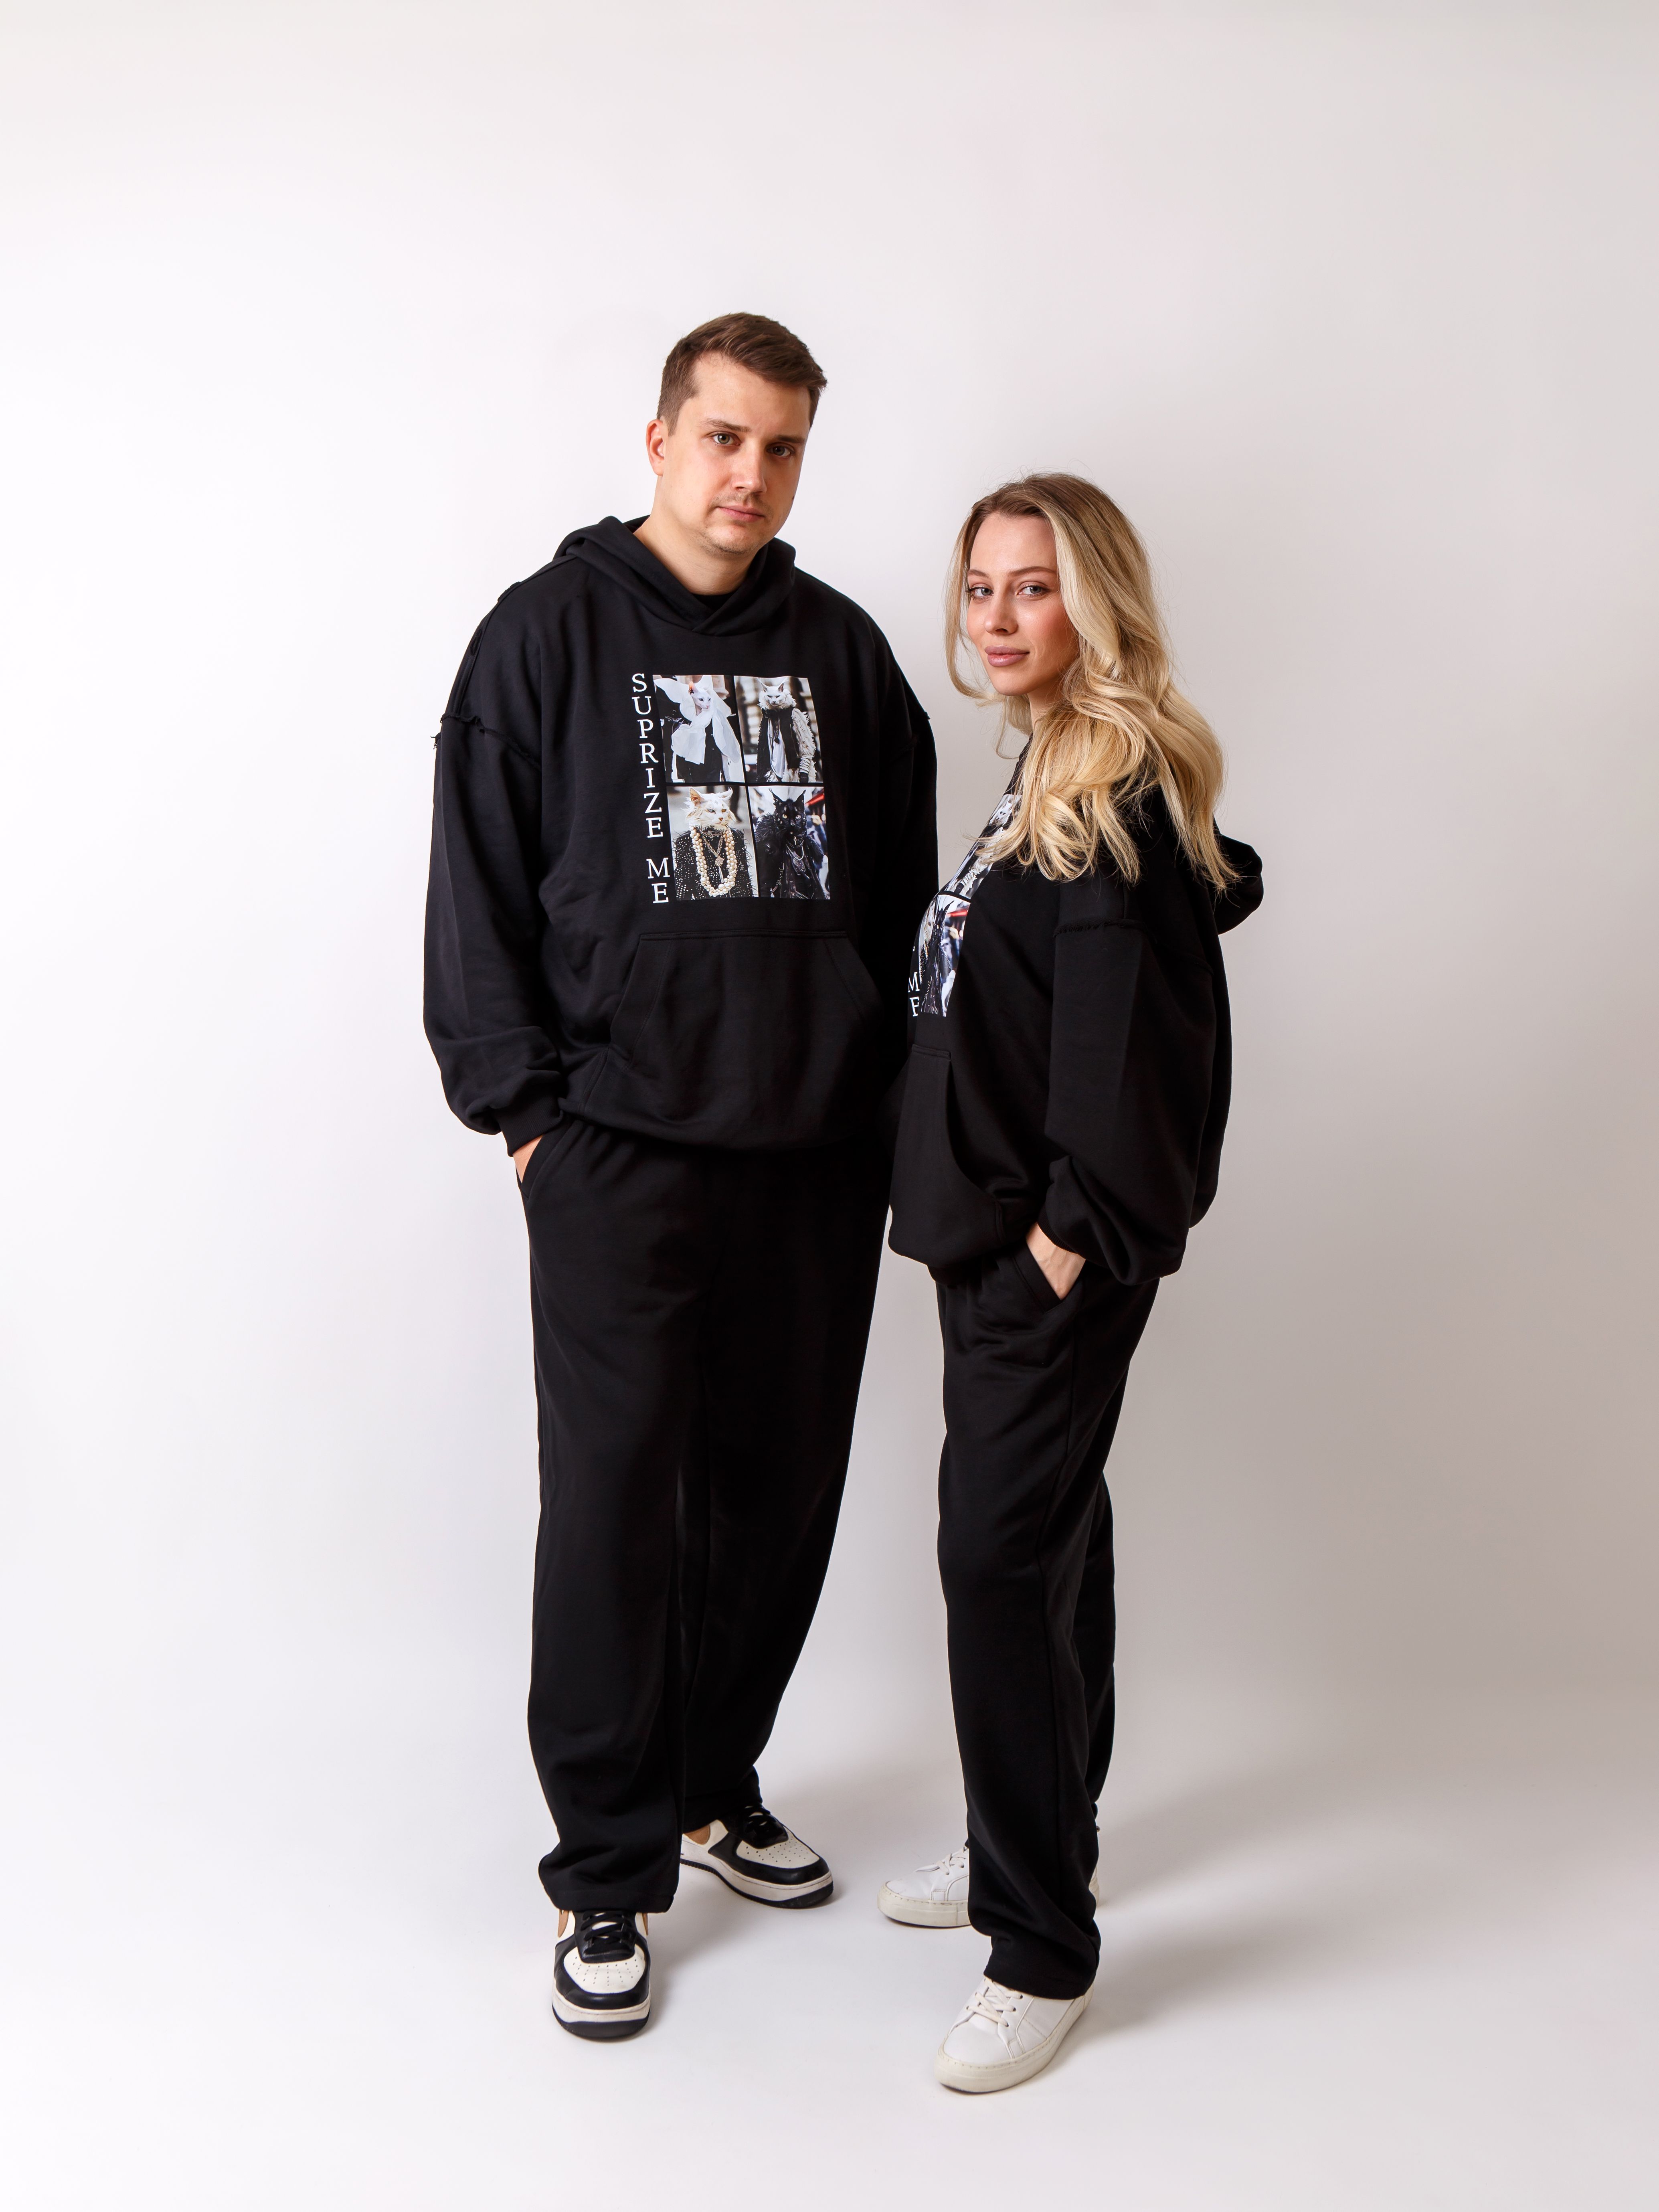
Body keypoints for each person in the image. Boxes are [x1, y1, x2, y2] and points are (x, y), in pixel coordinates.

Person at [423, 313, 937, 2040]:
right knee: (614, 1508)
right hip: (619, 1157)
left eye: (783, 448)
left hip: (810, 1157)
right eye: (724, 438)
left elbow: (902, 908)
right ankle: (604, 1868)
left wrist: (880, 1108)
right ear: (659, 441)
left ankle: (714, 1785)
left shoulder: (843, 653)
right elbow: (475, 890)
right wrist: (528, 1123)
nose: (751, 476)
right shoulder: (545, 635)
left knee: (777, 1495)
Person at [880, 474, 1262, 2092]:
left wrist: (1061, 1241)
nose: (996, 616)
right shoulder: (1044, 770)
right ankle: (1030, 1832)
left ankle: (1038, 1950)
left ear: (1092, 603)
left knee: (995, 1555)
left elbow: (1136, 1059)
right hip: (991, 1240)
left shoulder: (1110, 794)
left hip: (1048, 1256)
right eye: (979, 588)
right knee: (1048, 1538)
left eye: (1031, 587)